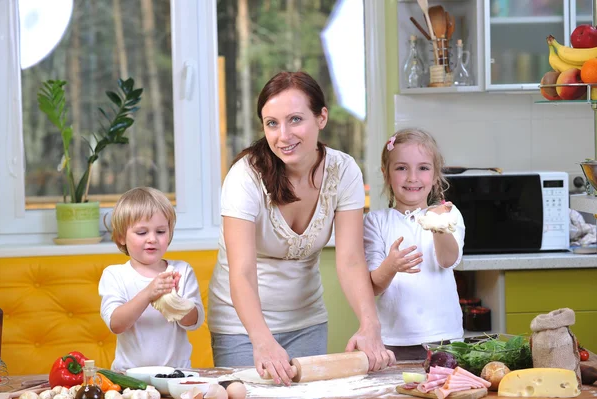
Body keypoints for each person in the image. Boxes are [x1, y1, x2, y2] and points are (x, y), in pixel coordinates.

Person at [208, 71, 396, 385]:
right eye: (272, 123)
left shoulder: (344, 170)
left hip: (307, 320)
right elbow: (241, 270)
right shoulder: (245, 177)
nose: (283, 135)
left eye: (295, 119)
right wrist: (262, 340)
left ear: (321, 117)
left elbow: (350, 260)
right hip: (241, 327)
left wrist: (369, 325)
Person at [363, 128, 465, 361]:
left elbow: (448, 260)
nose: (412, 177)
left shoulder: (448, 214)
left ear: (436, 175)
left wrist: (439, 224)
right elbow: (373, 287)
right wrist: (390, 266)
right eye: (401, 168)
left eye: (423, 168)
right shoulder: (375, 222)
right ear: (386, 174)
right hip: (393, 341)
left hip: (445, 337)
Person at [99, 187, 204, 371]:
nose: (152, 239)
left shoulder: (181, 270)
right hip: (129, 376)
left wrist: (176, 300)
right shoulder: (114, 275)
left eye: (161, 231)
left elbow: (193, 322)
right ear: (121, 237)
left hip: (177, 374)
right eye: (142, 233)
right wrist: (149, 293)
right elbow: (116, 324)